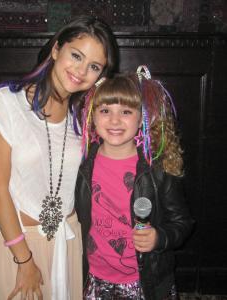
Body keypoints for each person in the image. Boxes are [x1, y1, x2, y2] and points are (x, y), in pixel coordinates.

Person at [0, 15, 118, 300]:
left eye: (94, 67)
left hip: (67, 240)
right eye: (76, 56)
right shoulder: (8, 102)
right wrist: (24, 259)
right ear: (57, 49)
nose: (81, 71)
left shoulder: (84, 118)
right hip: (16, 244)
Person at [75, 67, 193, 300]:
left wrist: (159, 237)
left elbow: (183, 222)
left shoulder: (156, 171)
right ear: (92, 115)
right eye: (106, 110)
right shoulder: (82, 165)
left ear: (142, 119)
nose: (114, 120)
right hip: (95, 278)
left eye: (126, 111)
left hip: (144, 282)